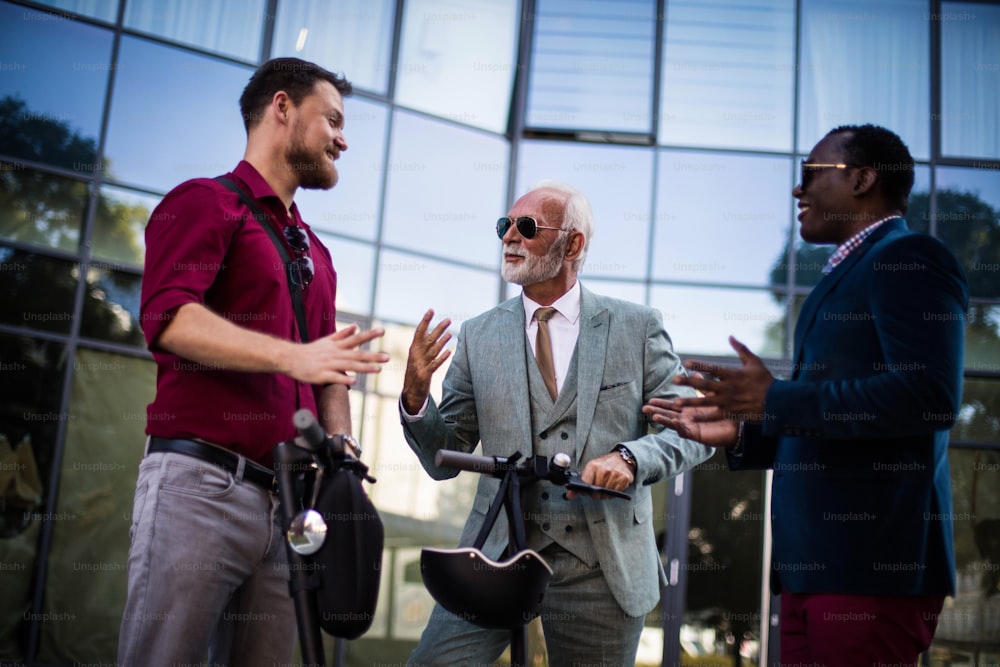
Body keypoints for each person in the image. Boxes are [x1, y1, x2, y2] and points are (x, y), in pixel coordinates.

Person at [643, 124, 968, 665]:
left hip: (869, 570)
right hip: (812, 569)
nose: (799, 191)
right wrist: (747, 430)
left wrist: (776, 401)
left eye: (811, 174)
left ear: (863, 179)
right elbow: (838, 418)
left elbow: (928, 396)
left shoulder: (910, 257)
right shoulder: (842, 276)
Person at [118, 58, 389, 667]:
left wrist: (341, 455)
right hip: (201, 490)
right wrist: (295, 355)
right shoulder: (204, 201)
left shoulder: (316, 251)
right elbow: (168, 317)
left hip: (293, 511)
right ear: (283, 107)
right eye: (335, 120)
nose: (344, 140)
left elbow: (329, 371)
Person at [400, 181, 713, 666]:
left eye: (527, 227)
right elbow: (447, 454)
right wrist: (417, 400)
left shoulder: (635, 327)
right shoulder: (478, 335)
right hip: (496, 551)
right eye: (505, 226)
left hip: (600, 566)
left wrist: (632, 457)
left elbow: (693, 427)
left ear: (573, 243)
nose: (510, 237)